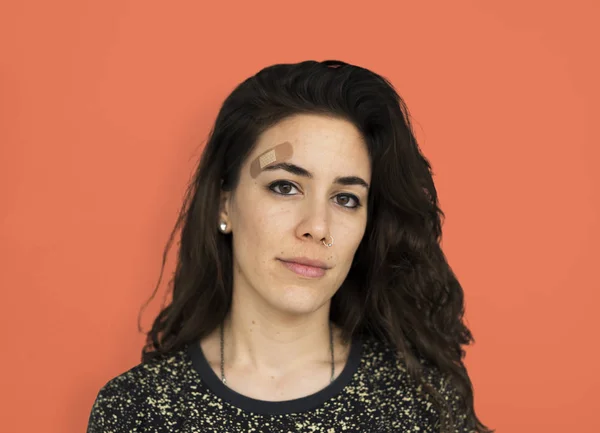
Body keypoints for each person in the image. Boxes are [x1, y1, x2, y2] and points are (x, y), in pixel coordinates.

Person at [86, 59, 493, 432]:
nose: (316, 227)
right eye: (285, 186)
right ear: (224, 204)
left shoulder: (422, 403)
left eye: (346, 198)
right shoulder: (137, 410)